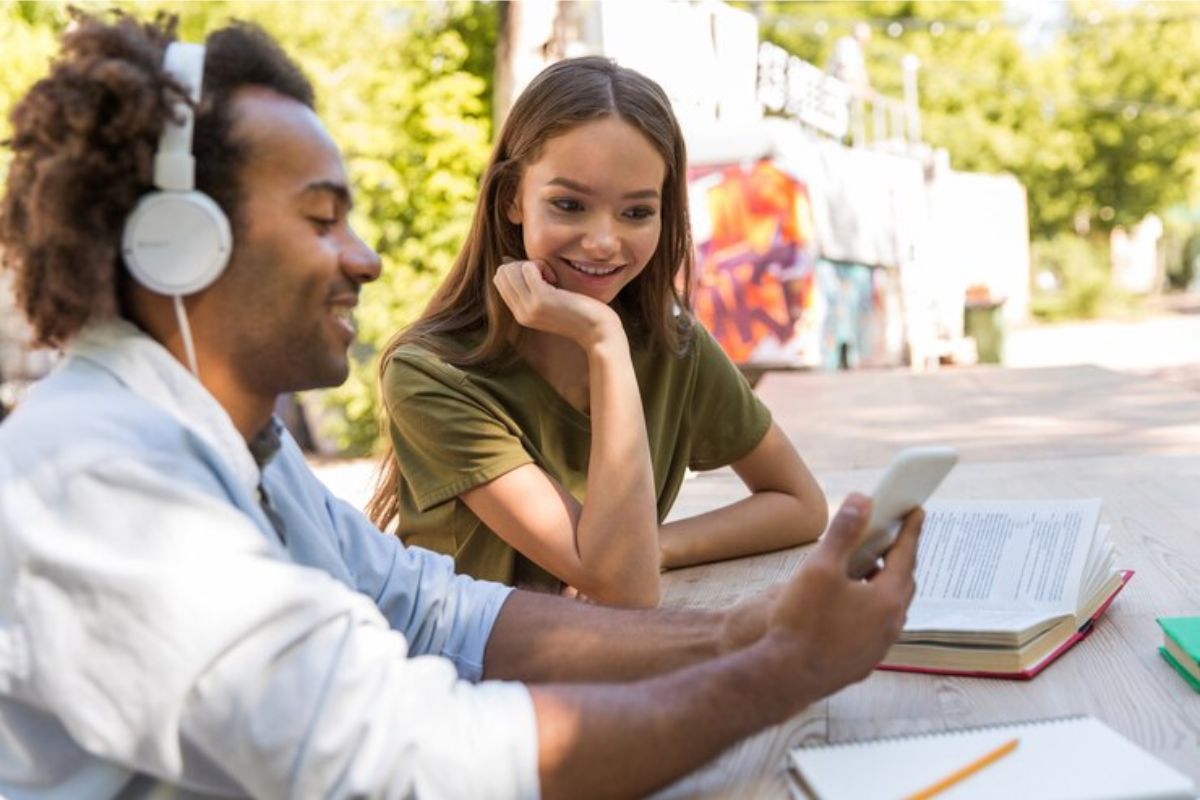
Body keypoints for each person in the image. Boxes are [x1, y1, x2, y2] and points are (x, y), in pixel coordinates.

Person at [0, 12, 923, 798]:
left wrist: (745, 628)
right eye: (323, 219)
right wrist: (777, 672)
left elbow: (438, 614)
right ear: (178, 246)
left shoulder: (244, 447)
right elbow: (410, 753)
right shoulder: (100, 481)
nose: (363, 259)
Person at [369, 57, 828, 607]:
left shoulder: (673, 347)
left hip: (602, 663)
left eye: (637, 212)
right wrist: (603, 340)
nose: (605, 242)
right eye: (569, 205)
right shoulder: (432, 374)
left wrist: (656, 545)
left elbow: (800, 504)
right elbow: (620, 587)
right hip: (464, 676)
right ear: (513, 197)